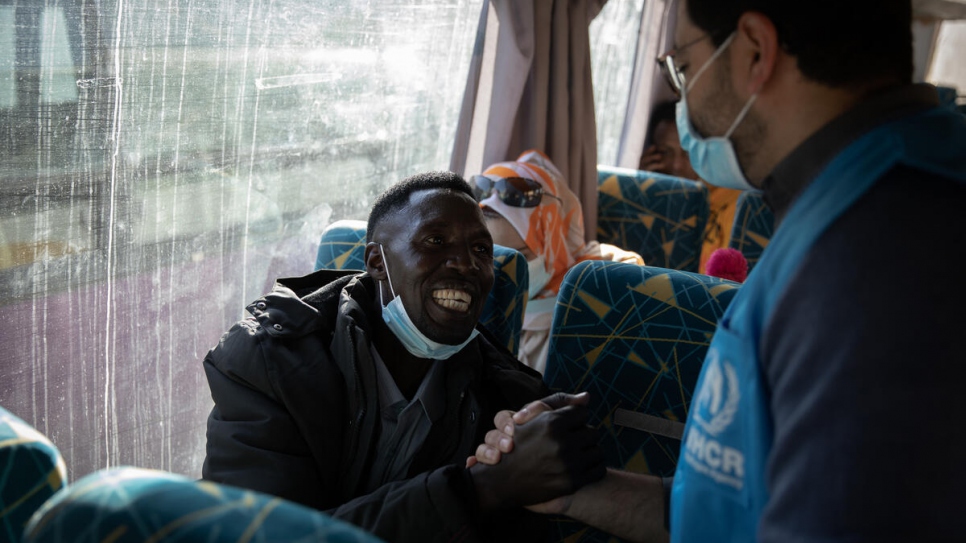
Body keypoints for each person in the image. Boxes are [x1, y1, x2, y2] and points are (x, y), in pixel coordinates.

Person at [471, 0, 966, 541]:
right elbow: (733, 510)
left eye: (681, 65)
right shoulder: (847, 201)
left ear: (754, 50)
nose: (684, 97)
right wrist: (577, 492)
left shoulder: (879, 255)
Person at [201, 171, 606, 541]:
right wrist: (481, 488)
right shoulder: (267, 361)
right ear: (377, 261)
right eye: (435, 241)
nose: (466, 264)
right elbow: (265, 536)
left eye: (481, 249)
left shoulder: (508, 402)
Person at [473, 149, 644, 374]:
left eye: (519, 257)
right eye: (486, 255)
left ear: (553, 244)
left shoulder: (603, 289)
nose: (501, 272)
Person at [640, 99, 742, 275]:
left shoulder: (734, 200)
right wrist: (643, 188)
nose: (677, 165)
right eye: (666, 152)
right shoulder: (644, 200)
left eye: (686, 153)